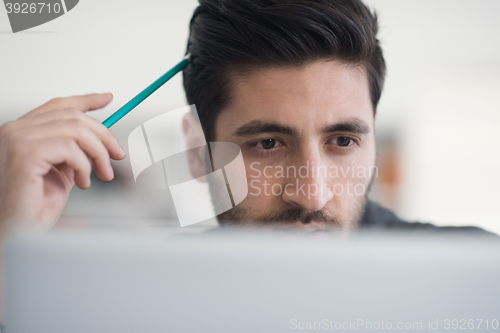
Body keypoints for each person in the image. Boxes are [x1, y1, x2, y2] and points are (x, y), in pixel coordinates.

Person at [0, 0, 495, 236]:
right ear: (198, 152)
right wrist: (10, 253)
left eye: (342, 140)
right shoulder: (130, 297)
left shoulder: (478, 276)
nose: (312, 194)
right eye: (267, 144)